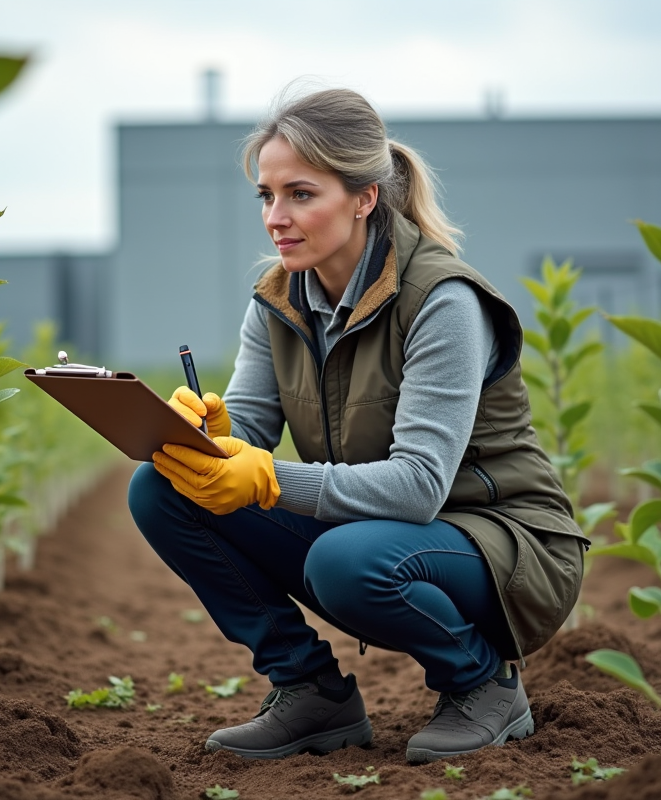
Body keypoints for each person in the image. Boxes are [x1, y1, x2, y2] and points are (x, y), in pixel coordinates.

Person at [127, 87, 588, 765]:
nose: (275, 218)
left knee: (344, 561)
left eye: (300, 195)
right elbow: (248, 434)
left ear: (365, 198)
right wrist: (207, 436)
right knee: (160, 489)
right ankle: (312, 691)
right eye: (265, 196)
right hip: (380, 532)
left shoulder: (441, 300)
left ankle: (484, 685)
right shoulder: (279, 298)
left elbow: (418, 489)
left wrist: (264, 476)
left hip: (503, 546)